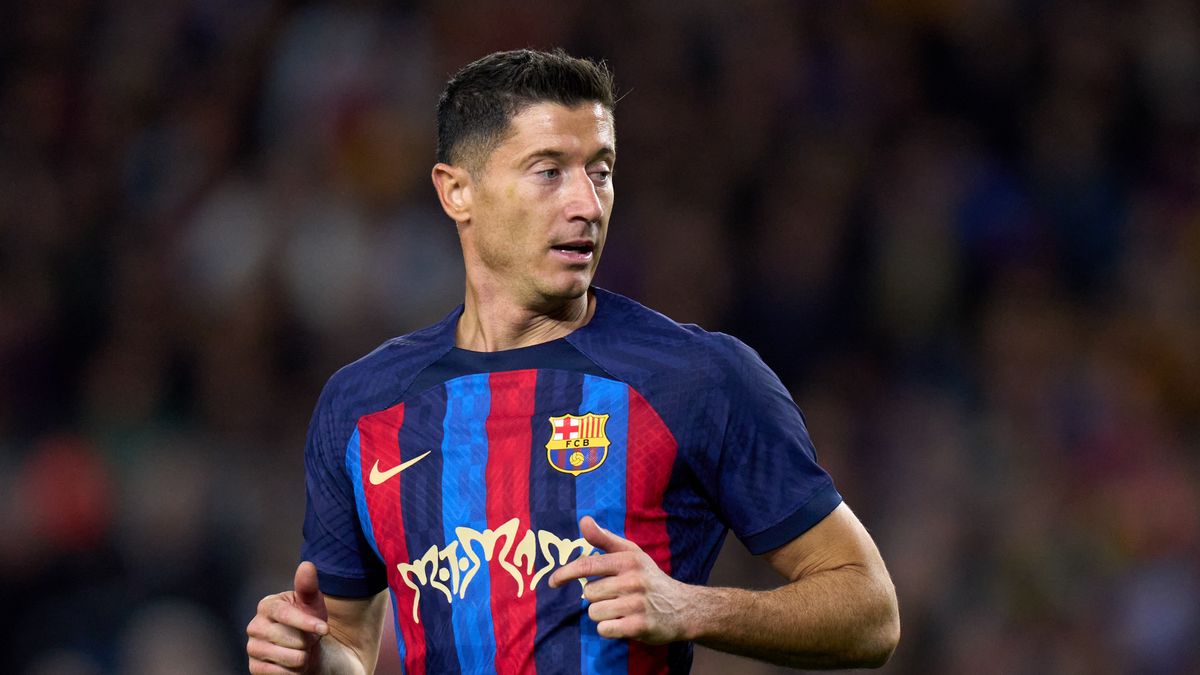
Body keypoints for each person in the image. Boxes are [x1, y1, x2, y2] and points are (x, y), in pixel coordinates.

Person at [246, 48, 899, 674]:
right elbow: (352, 647)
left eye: (602, 170)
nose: (586, 204)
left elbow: (871, 612)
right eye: (549, 170)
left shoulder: (696, 377)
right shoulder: (363, 407)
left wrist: (692, 605)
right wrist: (310, 660)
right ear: (457, 193)